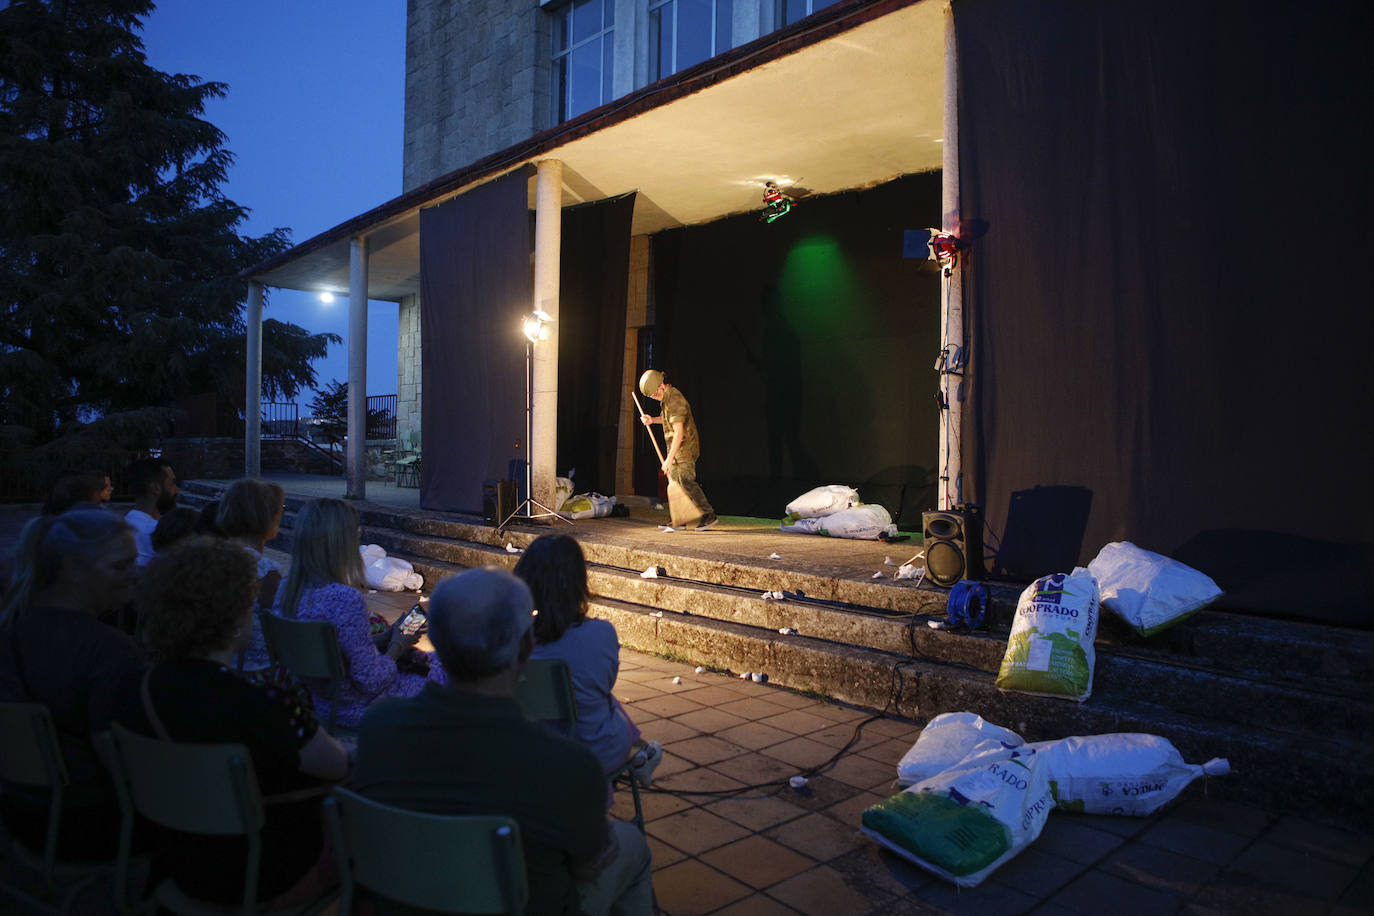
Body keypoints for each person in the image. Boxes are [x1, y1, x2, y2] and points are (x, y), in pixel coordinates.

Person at [353, 567, 653, 916]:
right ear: (526, 646)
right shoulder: (568, 766)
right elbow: (588, 865)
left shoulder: (377, 730)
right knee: (632, 846)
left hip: (406, 901)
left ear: (435, 643)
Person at [130, 536, 349, 907]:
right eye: (249, 605)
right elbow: (340, 766)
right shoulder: (261, 703)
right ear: (233, 619)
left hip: (184, 862)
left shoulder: (149, 685)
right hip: (263, 873)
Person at [0, 510, 144, 859]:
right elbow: (123, 764)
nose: (133, 575)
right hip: (85, 825)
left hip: (18, 811)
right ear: (73, 570)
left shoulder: (13, 626)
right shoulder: (108, 651)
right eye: (119, 566)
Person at [273, 498, 444, 727]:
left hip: (325, 701)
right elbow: (372, 680)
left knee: (436, 661)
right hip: (363, 706)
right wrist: (398, 646)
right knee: (450, 671)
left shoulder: (286, 590)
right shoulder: (344, 598)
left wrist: (386, 637)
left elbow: (337, 651)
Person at [514, 534, 661, 790]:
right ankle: (640, 754)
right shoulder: (600, 634)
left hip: (526, 754)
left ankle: (641, 754)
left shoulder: (505, 641)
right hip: (592, 752)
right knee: (602, 700)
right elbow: (605, 683)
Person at [216, 479, 287, 669]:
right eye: (281, 509)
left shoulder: (212, 556)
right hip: (257, 666)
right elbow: (285, 622)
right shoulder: (265, 570)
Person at [638, 369, 717, 530]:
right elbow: (667, 419)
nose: (655, 398)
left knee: (686, 480)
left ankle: (709, 515)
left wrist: (668, 459)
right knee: (675, 482)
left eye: (655, 394)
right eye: (652, 397)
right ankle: (680, 519)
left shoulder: (674, 399)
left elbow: (679, 432)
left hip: (685, 448)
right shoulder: (666, 398)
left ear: (661, 386)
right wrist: (652, 420)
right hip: (675, 448)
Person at [124, 457, 179, 566]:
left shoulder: (126, 521)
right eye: (172, 484)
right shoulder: (155, 531)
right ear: (155, 488)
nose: (177, 490)